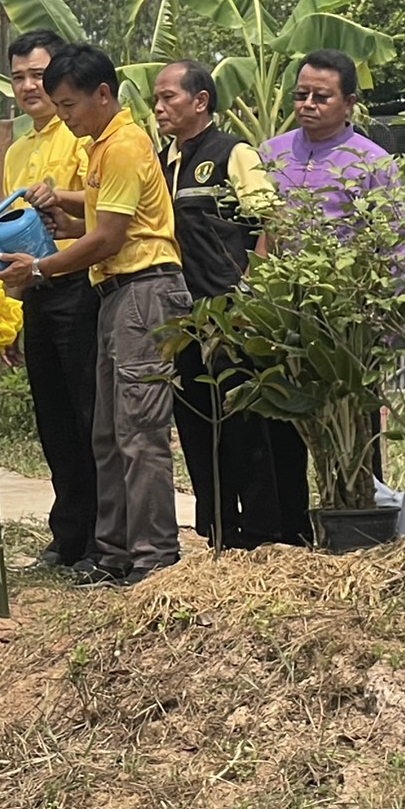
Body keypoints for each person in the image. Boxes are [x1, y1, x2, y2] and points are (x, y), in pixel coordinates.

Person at [0, 43, 187, 587]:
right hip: (116, 293)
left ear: (103, 94)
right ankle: (113, 552)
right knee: (107, 430)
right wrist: (62, 204)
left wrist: (41, 269)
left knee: (139, 429)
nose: (63, 116)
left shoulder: (124, 145)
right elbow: (99, 218)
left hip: (144, 289)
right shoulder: (102, 146)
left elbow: (108, 237)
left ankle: (154, 555)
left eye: (69, 105)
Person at [258, 48, 401, 545]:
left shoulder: (372, 162)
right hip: (284, 318)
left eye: (322, 96)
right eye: (301, 95)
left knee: (351, 428)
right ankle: (290, 534)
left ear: (349, 103)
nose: (309, 104)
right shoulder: (269, 155)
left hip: (349, 324)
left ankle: (357, 525)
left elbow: (394, 245)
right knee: (286, 423)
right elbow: (256, 229)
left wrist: (380, 323)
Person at [154, 59, 279, 550]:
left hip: (230, 313)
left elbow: (269, 224)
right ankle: (221, 536)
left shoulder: (233, 153)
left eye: (170, 98)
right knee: (197, 426)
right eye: (157, 100)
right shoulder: (164, 163)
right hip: (182, 319)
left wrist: (250, 296)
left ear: (201, 101)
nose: (160, 107)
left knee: (245, 427)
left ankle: (266, 536)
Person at [1, 29, 98, 573]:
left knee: (90, 415)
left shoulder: (84, 134)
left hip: (82, 284)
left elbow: (107, 209)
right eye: (18, 76)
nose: (28, 86)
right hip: (35, 287)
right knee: (53, 416)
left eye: (38, 74)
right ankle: (67, 537)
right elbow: (11, 234)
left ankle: (101, 536)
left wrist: (62, 198)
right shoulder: (18, 149)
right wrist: (9, 310)